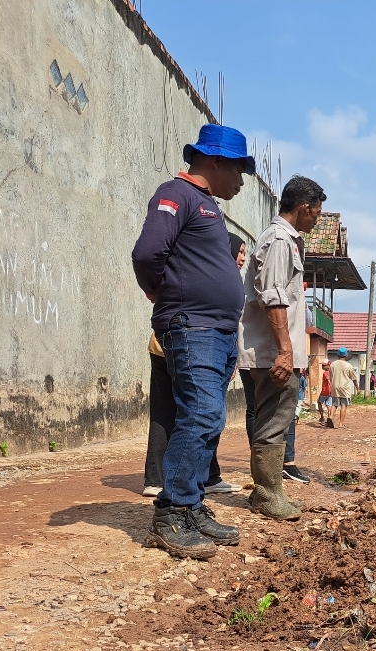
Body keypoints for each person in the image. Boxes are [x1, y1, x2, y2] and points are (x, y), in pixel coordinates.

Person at [132, 123, 255, 559]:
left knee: (209, 419)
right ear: (216, 161)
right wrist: (161, 293)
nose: (242, 181)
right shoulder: (177, 194)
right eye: (239, 170)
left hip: (216, 332)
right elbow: (147, 254)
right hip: (192, 326)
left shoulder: (208, 206)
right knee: (200, 415)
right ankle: (170, 513)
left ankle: (191, 505)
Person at [237, 175, 326, 520]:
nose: (317, 219)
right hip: (270, 351)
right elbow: (272, 297)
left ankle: (270, 490)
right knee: (273, 421)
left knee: (273, 419)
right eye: (317, 212)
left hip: (272, 349)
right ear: (304, 207)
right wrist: (285, 351)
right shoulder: (278, 240)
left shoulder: (285, 240)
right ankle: (267, 494)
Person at [141, 233, 247, 497]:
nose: (243, 258)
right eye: (240, 252)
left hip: (206, 349)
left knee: (207, 413)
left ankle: (207, 477)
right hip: (179, 348)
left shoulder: (222, 278)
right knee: (180, 412)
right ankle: (160, 480)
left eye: (245, 252)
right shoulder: (199, 272)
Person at [328, 347, 358, 428]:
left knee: (334, 404)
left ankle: (330, 416)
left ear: (337, 354)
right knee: (343, 405)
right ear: (346, 355)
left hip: (335, 386)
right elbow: (354, 379)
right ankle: (341, 424)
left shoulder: (332, 364)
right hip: (345, 388)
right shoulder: (348, 366)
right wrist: (357, 388)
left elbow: (330, 376)